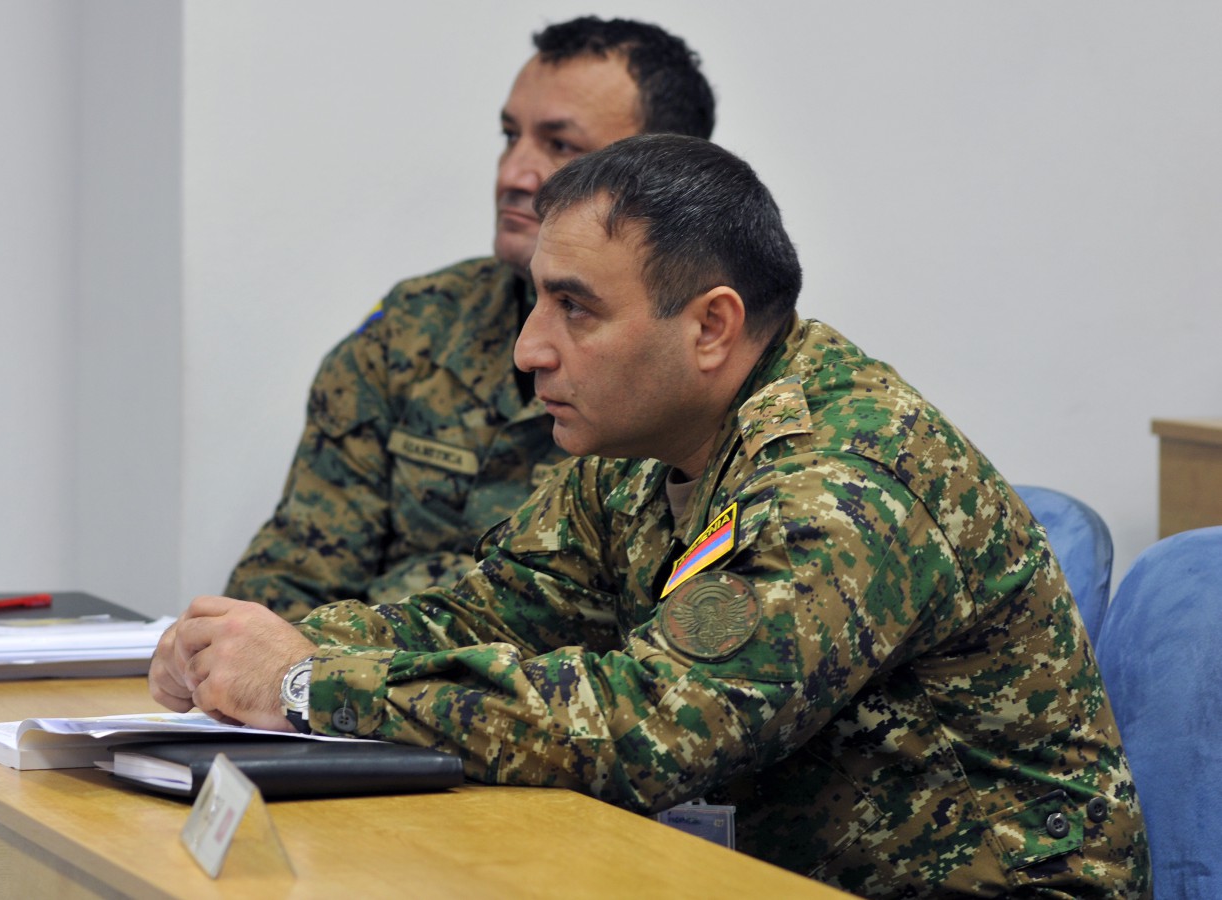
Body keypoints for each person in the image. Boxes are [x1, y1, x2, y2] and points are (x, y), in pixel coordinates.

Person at [152, 134, 1151, 896]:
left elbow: (646, 729)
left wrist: (306, 684)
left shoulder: (838, 485)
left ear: (710, 326)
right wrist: (241, 653)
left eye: (575, 309)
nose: (529, 350)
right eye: (534, 303)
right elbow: (479, 615)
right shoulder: (636, 449)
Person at [225, 17, 716, 620]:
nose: (513, 173)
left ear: (665, 175)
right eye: (511, 136)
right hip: (348, 668)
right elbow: (287, 579)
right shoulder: (413, 328)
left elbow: (647, 645)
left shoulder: (692, 367)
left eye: (562, 147)